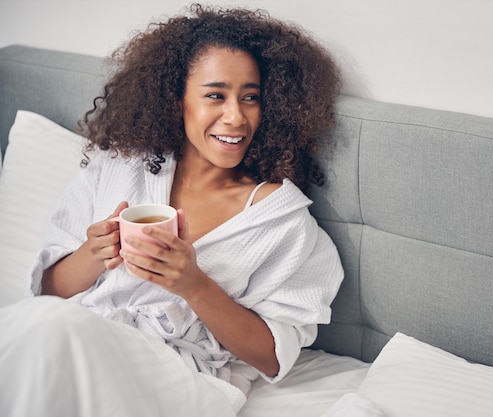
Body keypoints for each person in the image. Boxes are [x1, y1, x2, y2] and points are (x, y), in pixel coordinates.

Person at [0, 4, 343, 416]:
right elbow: (47, 293)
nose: (235, 117)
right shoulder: (119, 168)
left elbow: (272, 357)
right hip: (78, 335)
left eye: (250, 98)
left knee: (53, 330)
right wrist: (92, 255)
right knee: (42, 327)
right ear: (177, 99)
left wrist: (195, 286)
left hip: (179, 376)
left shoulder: (280, 220)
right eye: (215, 95)